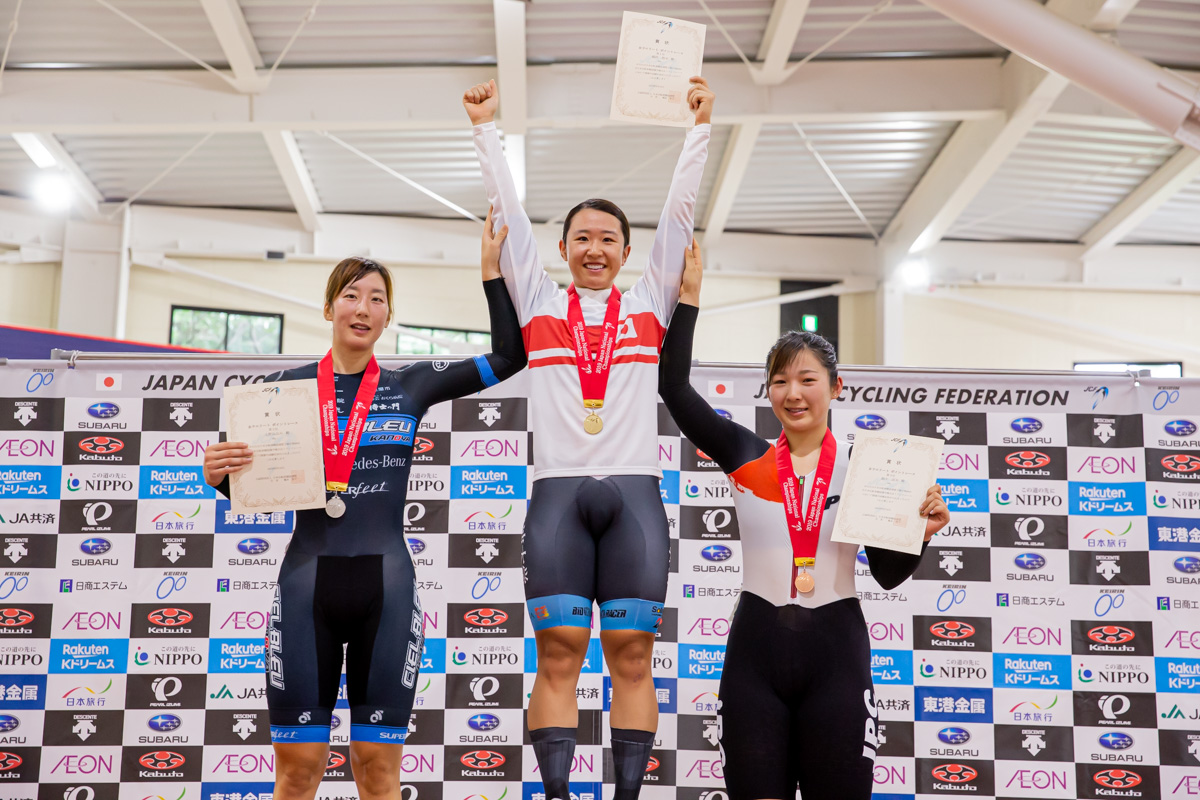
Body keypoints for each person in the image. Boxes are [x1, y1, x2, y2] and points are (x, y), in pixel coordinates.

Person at [201, 214, 526, 800]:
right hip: (305, 587)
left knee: (377, 767)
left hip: (388, 587)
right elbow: (254, 488)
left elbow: (509, 356)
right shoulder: (283, 391)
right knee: (297, 769)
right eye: (350, 295)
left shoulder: (411, 387)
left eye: (377, 299)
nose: (363, 307)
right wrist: (217, 478)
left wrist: (490, 275)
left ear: (386, 316)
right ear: (329, 309)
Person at [462, 77, 715, 800]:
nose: (595, 248)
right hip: (558, 496)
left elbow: (680, 213)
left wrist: (698, 127)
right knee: (559, 656)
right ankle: (559, 796)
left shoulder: (647, 303)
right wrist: (486, 129)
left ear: (629, 251)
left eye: (609, 239)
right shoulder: (539, 301)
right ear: (564, 248)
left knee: (633, 657)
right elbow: (507, 211)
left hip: (633, 490)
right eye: (583, 238)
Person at [658, 243, 950, 800]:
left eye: (808, 379)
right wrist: (688, 300)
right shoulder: (745, 455)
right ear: (767, 391)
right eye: (780, 381)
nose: (793, 393)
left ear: (836, 387)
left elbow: (888, 573)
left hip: (837, 654)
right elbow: (673, 388)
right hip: (755, 654)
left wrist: (922, 533)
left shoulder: (873, 466)